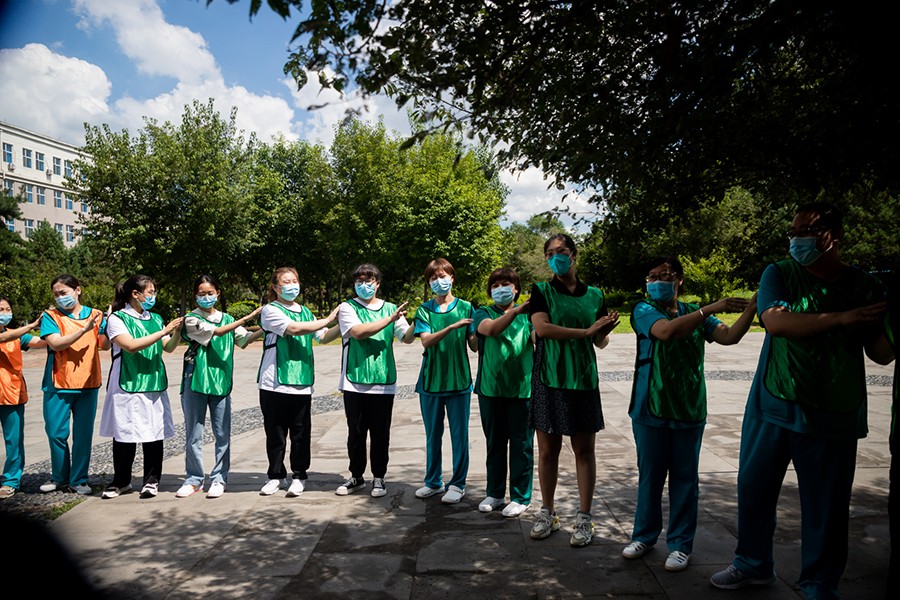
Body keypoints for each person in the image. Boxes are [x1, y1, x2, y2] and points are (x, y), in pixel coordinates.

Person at [709, 203, 893, 599]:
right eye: (793, 232)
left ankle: (819, 585)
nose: (796, 239)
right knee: (754, 488)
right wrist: (842, 318)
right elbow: (776, 321)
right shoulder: (779, 273)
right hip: (773, 402)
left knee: (826, 505)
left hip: (834, 410)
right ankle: (752, 564)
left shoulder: (864, 286)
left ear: (833, 237)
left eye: (806, 231)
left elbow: (879, 353)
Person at [622, 256, 756, 572]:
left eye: (665, 275)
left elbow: (729, 336)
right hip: (650, 406)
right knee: (650, 477)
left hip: (689, 407)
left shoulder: (693, 312)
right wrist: (709, 309)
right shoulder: (644, 310)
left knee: (685, 480)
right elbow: (666, 332)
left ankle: (681, 545)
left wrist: (751, 308)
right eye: (652, 276)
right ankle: (644, 536)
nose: (658, 281)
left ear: (679, 280)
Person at [528, 233, 619, 547]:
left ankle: (584, 517)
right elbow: (542, 329)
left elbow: (599, 341)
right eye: (550, 253)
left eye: (562, 250)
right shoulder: (541, 291)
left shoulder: (594, 295)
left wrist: (602, 331)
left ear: (574, 254)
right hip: (549, 378)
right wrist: (586, 331)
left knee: (584, 450)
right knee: (548, 451)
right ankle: (547, 512)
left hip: (583, 379)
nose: (557, 257)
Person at [175, 275, 264, 499]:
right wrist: (250, 317)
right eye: (201, 294)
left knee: (222, 433)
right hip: (196, 378)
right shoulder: (191, 319)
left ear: (218, 294)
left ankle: (219, 478)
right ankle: (194, 479)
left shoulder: (228, 318)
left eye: (210, 293)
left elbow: (244, 340)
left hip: (221, 379)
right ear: (195, 296)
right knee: (194, 433)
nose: (206, 297)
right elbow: (218, 332)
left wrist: (267, 327)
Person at [99, 274, 183, 499]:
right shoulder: (117, 318)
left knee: (153, 433)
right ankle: (121, 481)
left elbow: (168, 348)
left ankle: (151, 481)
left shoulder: (155, 318)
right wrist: (164, 331)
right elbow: (130, 346)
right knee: (124, 432)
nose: (153, 296)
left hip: (153, 381)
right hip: (127, 382)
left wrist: (177, 332)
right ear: (135, 294)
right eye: (150, 292)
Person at [257, 267, 339, 497]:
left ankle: (299, 475)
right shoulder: (270, 310)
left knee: (301, 434)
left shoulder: (306, 312)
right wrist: (328, 318)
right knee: (275, 433)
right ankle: (276, 476)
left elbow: (323, 336)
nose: (292, 285)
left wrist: (342, 325)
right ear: (275, 287)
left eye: (295, 281)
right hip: (274, 382)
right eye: (286, 282)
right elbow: (292, 329)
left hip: (301, 381)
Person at [333, 264, 413, 498]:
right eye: (359, 281)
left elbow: (406, 338)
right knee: (356, 433)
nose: (364, 285)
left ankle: (379, 477)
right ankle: (356, 476)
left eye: (369, 281)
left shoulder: (391, 309)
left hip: (383, 381)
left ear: (378, 283)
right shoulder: (348, 307)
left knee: (380, 434)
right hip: (355, 381)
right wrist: (390, 319)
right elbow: (359, 332)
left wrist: (419, 322)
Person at [411, 258, 477, 504]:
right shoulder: (424, 310)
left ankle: (458, 484)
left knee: (460, 435)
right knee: (432, 435)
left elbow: (474, 345)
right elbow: (426, 341)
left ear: (452, 277)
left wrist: (481, 330)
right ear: (429, 283)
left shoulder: (467, 307)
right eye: (433, 278)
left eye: (443, 276)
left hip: (459, 381)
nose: (439, 281)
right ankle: (433, 481)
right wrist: (452, 327)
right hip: (431, 381)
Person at [39, 274, 110, 495]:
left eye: (63, 292)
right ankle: (59, 477)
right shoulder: (51, 316)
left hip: (88, 382)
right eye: (56, 294)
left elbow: (104, 345)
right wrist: (82, 330)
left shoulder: (97, 315)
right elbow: (56, 344)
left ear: (77, 290)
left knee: (83, 435)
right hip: (58, 383)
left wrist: (110, 325)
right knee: (55, 433)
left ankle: (79, 479)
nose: (60, 297)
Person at [474, 267, 535, 518]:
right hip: (490, 388)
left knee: (522, 445)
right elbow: (490, 330)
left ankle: (521, 497)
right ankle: (495, 493)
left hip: (522, 389)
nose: (501, 289)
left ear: (516, 288)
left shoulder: (530, 315)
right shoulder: (483, 313)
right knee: (495, 443)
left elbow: (537, 337)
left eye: (506, 284)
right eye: (496, 285)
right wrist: (516, 311)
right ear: (490, 291)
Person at [0, 298, 45, 499]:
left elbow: (42, 342)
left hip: (12, 393)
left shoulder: (18, 336)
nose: (5, 313)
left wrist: (56, 330)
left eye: (7, 309)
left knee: (14, 440)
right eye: (0, 309)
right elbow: (5, 337)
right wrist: (33, 325)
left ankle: (11, 480)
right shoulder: (13, 334)